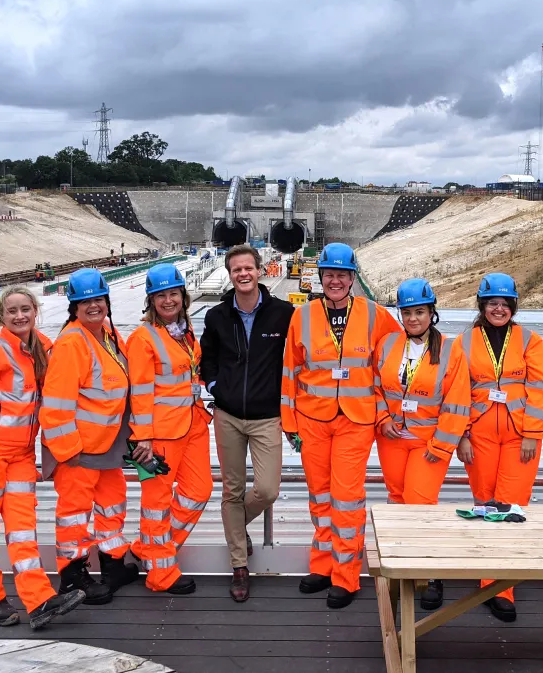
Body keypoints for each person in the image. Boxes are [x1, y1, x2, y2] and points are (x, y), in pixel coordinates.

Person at [0, 285, 86, 629]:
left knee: (23, 531)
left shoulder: (43, 349)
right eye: (12, 311)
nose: (20, 316)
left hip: (22, 458)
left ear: (35, 310)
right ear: (2, 315)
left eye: (26, 309)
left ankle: (38, 601)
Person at [281, 242, 401, 609]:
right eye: (329, 274)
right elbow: (290, 371)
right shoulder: (301, 316)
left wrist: (388, 409)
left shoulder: (375, 315)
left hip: (356, 420)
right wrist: (290, 422)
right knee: (319, 496)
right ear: (321, 278)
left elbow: (397, 355)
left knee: (346, 498)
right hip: (313, 419)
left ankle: (346, 577)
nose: (335, 280)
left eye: (342, 275)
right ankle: (323, 564)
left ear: (353, 279)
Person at [453, 273, 543, 622]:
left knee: (510, 508)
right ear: (482, 306)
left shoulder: (530, 341)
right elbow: (456, 392)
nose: (499, 308)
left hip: (519, 437)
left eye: (505, 303)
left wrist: (532, 433)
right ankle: (488, 578)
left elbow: (542, 388)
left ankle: (502, 589)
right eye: (493, 302)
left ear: (513, 306)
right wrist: (461, 435)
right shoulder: (463, 343)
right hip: (478, 434)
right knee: (484, 504)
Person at [40, 268, 139, 606]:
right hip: (80, 449)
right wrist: (68, 452)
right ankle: (73, 577)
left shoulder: (108, 333)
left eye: (98, 299)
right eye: (85, 301)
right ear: (74, 306)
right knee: (74, 513)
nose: (93, 306)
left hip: (108, 444)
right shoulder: (72, 343)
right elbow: (55, 405)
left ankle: (113, 564)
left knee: (113, 503)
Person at [200, 244, 294, 602]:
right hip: (227, 416)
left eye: (248, 268)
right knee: (232, 490)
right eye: (236, 269)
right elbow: (207, 358)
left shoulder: (283, 313)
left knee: (267, 489)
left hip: (267, 417)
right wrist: (213, 386)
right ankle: (239, 565)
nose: (243, 274)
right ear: (230, 273)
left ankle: (236, 530)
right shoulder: (217, 316)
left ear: (260, 270)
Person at [373, 278, 470, 610]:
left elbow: (457, 402)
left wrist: (442, 446)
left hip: (429, 443)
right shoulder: (387, 345)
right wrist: (382, 419)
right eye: (407, 312)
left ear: (432, 312)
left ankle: (431, 573)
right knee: (398, 502)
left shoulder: (450, 350)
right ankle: (404, 569)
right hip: (393, 439)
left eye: (419, 312)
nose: (413, 318)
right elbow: (374, 386)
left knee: (420, 504)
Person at [127, 263, 213, 595]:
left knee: (198, 492)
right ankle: (160, 573)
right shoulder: (142, 338)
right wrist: (143, 438)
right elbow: (141, 391)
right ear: (150, 300)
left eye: (173, 294)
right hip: (158, 436)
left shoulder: (184, 332)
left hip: (192, 425)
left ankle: (147, 549)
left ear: (183, 296)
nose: (168, 300)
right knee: (157, 503)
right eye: (160, 295)